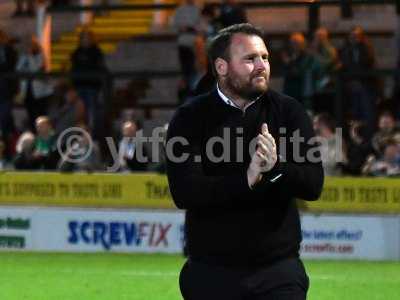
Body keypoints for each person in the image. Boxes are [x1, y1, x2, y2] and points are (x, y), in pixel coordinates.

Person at [166, 24, 324, 300]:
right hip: (210, 273)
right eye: (250, 59)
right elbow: (184, 192)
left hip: (278, 273)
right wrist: (245, 180)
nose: (261, 65)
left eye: (264, 57)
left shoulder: (289, 112)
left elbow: (313, 185)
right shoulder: (189, 117)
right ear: (222, 67)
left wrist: (276, 169)